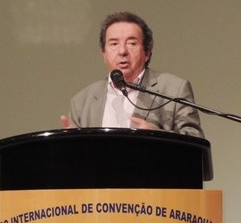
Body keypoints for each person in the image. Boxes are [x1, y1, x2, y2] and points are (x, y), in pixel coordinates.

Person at [60, 11, 204, 138]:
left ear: (147, 53)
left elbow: (195, 139)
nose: (122, 51)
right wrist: (71, 144)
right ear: (103, 54)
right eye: (114, 44)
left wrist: (158, 136)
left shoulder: (174, 90)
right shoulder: (81, 102)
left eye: (132, 43)